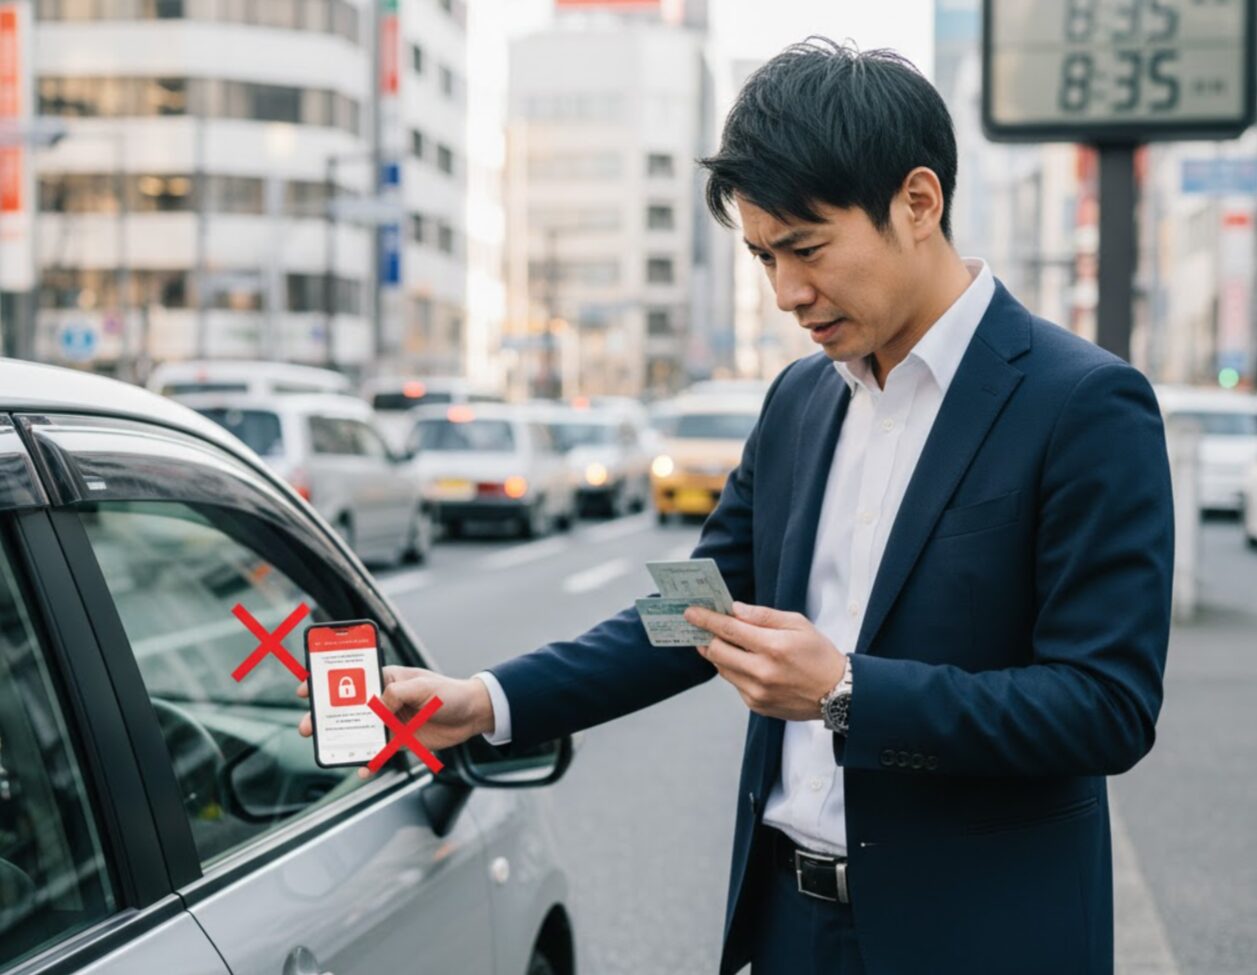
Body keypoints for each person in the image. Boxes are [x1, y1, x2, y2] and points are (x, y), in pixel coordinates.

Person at [299, 38, 1174, 975]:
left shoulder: (1081, 404)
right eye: (762, 257)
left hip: (981, 935)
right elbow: (692, 611)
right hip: (788, 925)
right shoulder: (799, 400)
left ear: (919, 203)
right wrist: (491, 699)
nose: (787, 293)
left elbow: (1105, 706)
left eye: (806, 248)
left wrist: (846, 691)